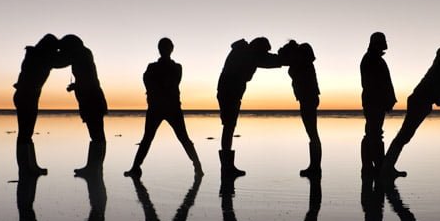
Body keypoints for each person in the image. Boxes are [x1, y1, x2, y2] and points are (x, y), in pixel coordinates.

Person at [382, 44, 440, 178]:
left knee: (404, 135)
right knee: (404, 136)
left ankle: (388, 166)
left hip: (418, 99)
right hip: (422, 101)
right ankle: (386, 168)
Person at [124, 38, 203, 178]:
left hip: (169, 107)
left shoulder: (175, 67)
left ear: (170, 49)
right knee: (148, 138)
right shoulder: (154, 67)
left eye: (166, 47)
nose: (165, 50)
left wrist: (158, 86)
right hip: (158, 107)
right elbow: (150, 83)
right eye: (163, 47)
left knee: (181, 137)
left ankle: (198, 166)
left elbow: (167, 83)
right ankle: (135, 167)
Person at [216, 37, 281, 177]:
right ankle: (227, 168)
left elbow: (267, 60)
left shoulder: (244, 51)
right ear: (258, 48)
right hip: (229, 91)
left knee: (229, 126)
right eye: (264, 51)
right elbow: (268, 60)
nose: (264, 54)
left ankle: (227, 167)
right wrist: (284, 59)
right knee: (229, 126)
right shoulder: (247, 54)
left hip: (229, 91)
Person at [12, 34, 69, 175]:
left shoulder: (34, 54)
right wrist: (73, 52)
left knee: (26, 133)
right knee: (25, 134)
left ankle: (31, 167)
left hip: (25, 95)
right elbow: (63, 62)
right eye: (55, 49)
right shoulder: (43, 57)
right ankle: (26, 168)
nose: (56, 51)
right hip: (27, 96)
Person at [60, 34, 109, 177]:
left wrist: (77, 86)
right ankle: (94, 167)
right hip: (92, 98)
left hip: (91, 100)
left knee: (97, 135)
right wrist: (76, 86)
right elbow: (87, 77)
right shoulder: (83, 54)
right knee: (97, 135)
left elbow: (87, 79)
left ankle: (93, 168)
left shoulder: (81, 55)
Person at [278, 40, 322, 177]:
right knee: (312, 134)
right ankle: (314, 167)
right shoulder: (301, 59)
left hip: (308, 97)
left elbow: (285, 58)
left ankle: (315, 168)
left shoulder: (301, 58)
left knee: (313, 134)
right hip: (307, 97)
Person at [360, 32, 397, 177]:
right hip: (373, 103)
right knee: (373, 134)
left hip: (375, 103)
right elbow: (375, 84)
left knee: (373, 134)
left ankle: (374, 167)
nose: (385, 44)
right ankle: (373, 167)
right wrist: (385, 100)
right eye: (382, 42)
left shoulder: (375, 59)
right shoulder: (371, 59)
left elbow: (384, 82)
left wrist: (388, 100)